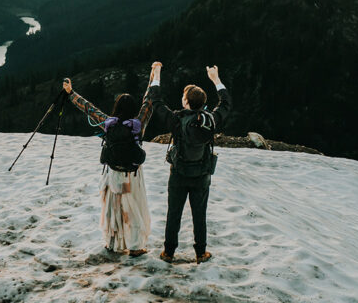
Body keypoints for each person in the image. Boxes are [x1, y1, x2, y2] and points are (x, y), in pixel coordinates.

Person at [62, 65, 156, 257]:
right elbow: (149, 102)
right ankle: (136, 246)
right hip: (132, 175)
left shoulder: (108, 124)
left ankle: (113, 244)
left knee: (113, 210)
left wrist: (71, 93)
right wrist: (154, 77)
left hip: (112, 174)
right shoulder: (138, 125)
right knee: (134, 210)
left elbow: (89, 109)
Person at [148, 62, 231, 263]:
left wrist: (156, 75)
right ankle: (201, 253)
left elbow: (156, 101)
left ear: (186, 102)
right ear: (203, 103)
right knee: (199, 215)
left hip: (178, 173)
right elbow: (226, 103)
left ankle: (168, 252)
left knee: (173, 213)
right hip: (202, 174)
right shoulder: (210, 120)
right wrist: (216, 79)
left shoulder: (176, 120)